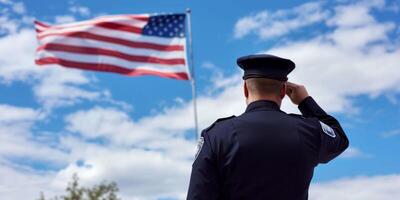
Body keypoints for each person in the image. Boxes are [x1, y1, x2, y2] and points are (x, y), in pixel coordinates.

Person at [186, 54, 349, 200]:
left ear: (245, 89)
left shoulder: (217, 135)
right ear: (284, 91)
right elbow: (339, 138)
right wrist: (305, 101)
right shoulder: (308, 130)